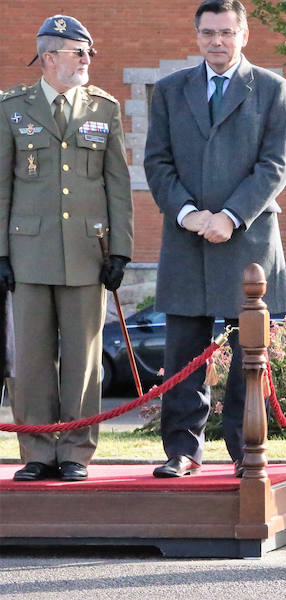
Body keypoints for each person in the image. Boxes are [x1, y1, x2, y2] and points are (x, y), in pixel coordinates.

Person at [143, 0, 286, 478]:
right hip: (186, 240)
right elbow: (157, 163)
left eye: (227, 32)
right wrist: (188, 213)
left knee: (247, 355)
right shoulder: (169, 91)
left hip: (248, 244)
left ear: (244, 34)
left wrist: (230, 215)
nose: (217, 42)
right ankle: (182, 451)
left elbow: (274, 166)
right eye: (208, 32)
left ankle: (243, 450)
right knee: (182, 352)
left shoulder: (273, 89)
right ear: (197, 35)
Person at [0, 15, 134, 481]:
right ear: (49, 56)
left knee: (84, 358)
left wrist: (120, 251)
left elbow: (118, 184)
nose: (87, 60)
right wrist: (0, 253)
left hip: (86, 252)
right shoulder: (12, 107)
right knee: (32, 360)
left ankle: (76, 449)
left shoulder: (104, 108)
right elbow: (1, 185)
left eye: (88, 52)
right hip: (28, 253)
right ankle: (36, 451)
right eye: (79, 52)